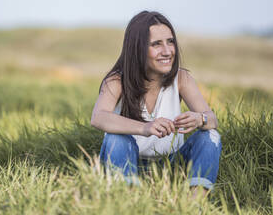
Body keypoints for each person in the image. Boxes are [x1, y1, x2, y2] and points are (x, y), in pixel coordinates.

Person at [90, 11, 222, 196]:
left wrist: (199, 118)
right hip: (129, 161)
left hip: (171, 166)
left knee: (211, 136)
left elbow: (212, 119)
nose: (167, 51)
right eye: (156, 44)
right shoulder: (116, 80)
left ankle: (193, 205)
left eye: (170, 41)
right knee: (116, 138)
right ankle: (128, 202)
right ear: (137, 48)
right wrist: (145, 128)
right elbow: (98, 117)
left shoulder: (181, 78)